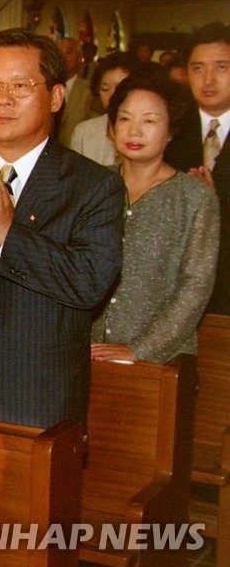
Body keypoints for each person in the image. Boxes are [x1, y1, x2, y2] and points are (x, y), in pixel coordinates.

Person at [0, 28, 124, 428]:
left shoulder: (93, 186)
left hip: (34, 397)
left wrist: (7, 232)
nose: (3, 99)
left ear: (55, 97)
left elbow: (88, 283)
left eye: (21, 85)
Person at [91, 73, 218, 363]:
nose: (134, 131)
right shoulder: (92, 186)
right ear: (111, 128)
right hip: (86, 354)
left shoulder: (194, 198)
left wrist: (139, 349)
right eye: (125, 119)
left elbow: (195, 286)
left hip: (162, 360)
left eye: (149, 121)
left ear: (171, 131)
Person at [181, 22, 230, 314]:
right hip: (177, 291)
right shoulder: (170, 129)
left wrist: (213, 205)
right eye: (198, 68)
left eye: (222, 67)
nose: (208, 79)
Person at [70, 51, 136, 166]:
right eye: (105, 89)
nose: (112, 96)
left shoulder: (145, 131)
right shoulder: (83, 132)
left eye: (120, 88)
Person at [56, 37, 102, 147]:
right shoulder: (44, 88)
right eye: (58, 53)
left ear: (79, 57)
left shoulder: (90, 91)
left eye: (68, 53)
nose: (62, 58)